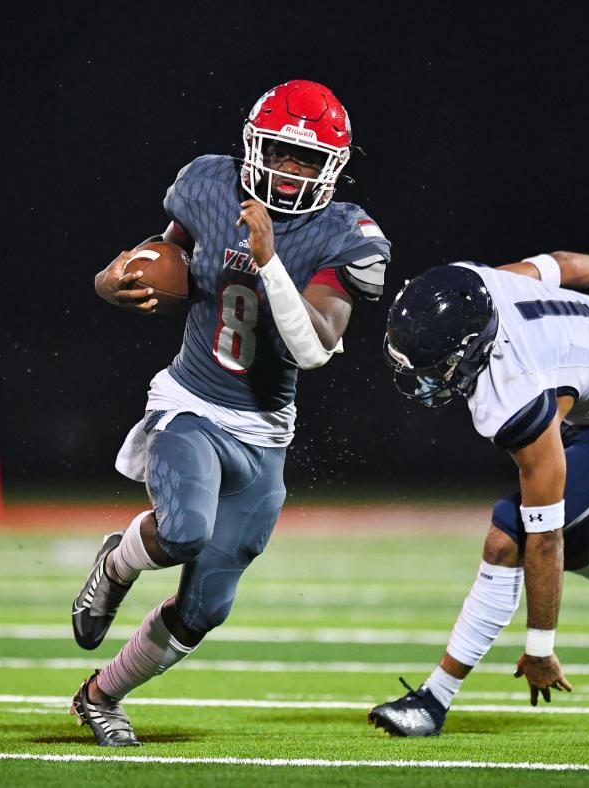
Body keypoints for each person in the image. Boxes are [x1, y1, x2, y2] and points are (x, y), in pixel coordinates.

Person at [69, 79, 391, 747]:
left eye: (306, 160)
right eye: (278, 153)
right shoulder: (210, 185)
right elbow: (165, 257)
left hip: (266, 432)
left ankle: (101, 697)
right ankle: (118, 563)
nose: (289, 171)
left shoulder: (347, 233)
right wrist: (110, 281)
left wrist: (271, 262)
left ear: (333, 166)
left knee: (206, 608)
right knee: (183, 530)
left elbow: (314, 349)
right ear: (252, 147)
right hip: (190, 403)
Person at [368, 231, 589, 737]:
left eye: (437, 367)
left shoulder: (517, 391)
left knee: (509, 537)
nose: (427, 378)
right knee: (577, 537)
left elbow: (542, 539)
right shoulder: (477, 286)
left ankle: (434, 700)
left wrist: (540, 647)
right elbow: (564, 263)